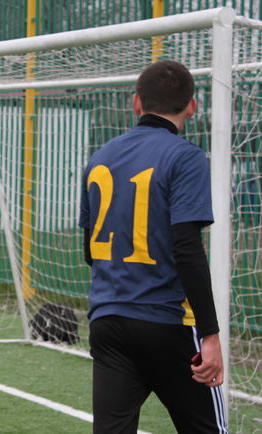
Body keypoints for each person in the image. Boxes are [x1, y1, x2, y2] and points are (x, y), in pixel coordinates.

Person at [79, 60, 227, 433]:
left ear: (136, 103)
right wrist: (209, 334)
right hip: (166, 323)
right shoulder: (185, 157)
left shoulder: (99, 159)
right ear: (192, 107)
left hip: (108, 322)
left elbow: (89, 252)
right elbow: (187, 248)